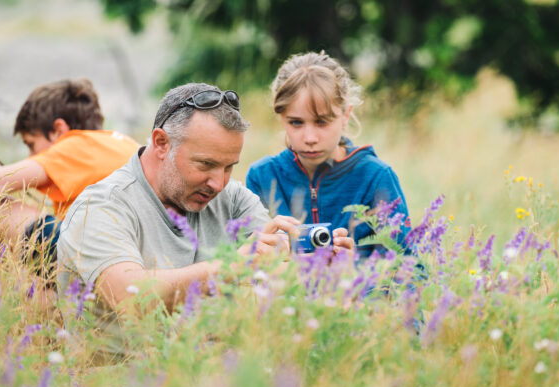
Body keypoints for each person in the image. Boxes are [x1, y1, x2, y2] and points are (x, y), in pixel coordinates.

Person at [56, 82, 355, 354]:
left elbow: (271, 262)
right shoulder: (102, 207)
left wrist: (316, 266)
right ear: (161, 143)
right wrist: (234, 265)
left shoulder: (231, 198)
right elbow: (131, 298)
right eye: (206, 164)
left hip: (211, 380)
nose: (218, 183)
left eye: (228, 167)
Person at [0, 78, 140, 269]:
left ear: (58, 130)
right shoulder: (117, 143)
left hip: (97, 253)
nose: (31, 156)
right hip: (129, 253)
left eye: (31, 144)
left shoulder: (73, 144)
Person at [246, 52, 411, 258]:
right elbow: (244, 268)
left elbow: (411, 272)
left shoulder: (375, 177)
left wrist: (353, 274)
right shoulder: (262, 176)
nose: (310, 137)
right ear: (281, 117)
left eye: (322, 122)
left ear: (346, 115)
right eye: (296, 122)